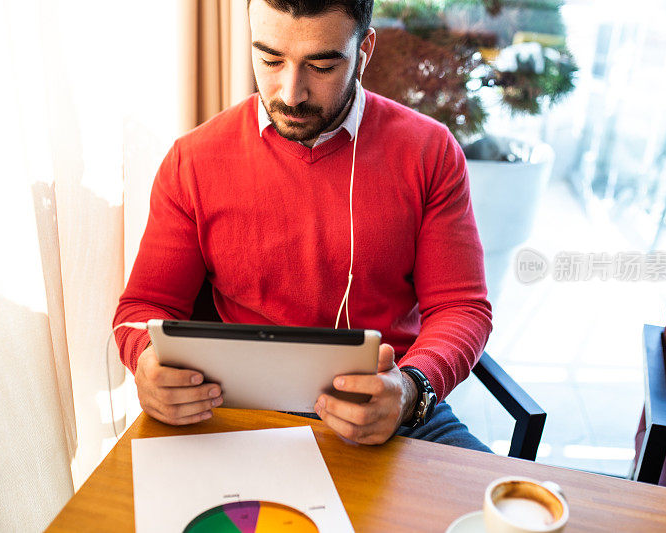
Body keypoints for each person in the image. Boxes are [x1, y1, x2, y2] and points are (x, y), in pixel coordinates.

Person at [114, 0, 493, 451]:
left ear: (364, 50)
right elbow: (140, 310)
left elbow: (462, 307)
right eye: (270, 59)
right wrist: (146, 363)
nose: (291, 93)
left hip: (393, 403)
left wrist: (412, 389)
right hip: (237, 408)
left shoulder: (429, 152)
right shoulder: (192, 161)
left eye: (322, 65)